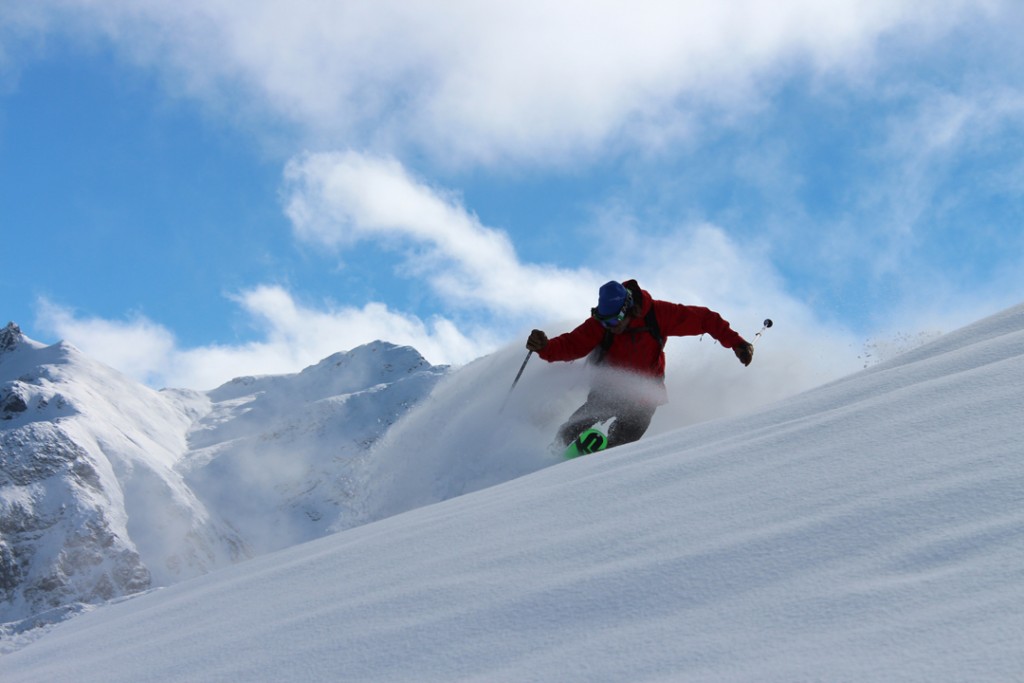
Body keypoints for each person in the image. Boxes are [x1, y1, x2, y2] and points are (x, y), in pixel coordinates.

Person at [526, 279, 754, 451]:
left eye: (615, 320)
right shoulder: (600, 325)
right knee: (572, 428)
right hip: (607, 390)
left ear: (628, 308)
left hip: (646, 397)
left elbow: (705, 319)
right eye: (605, 321)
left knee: (623, 444)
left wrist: (737, 343)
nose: (611, 326)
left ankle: (600, 476)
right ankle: (550, 461)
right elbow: (572, 344)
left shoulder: (658, 314)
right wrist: (544, 347)